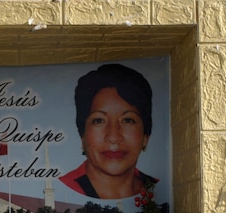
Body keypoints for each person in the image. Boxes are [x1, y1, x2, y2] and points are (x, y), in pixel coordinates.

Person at [59, 63, 158, 199]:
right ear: (82, 136)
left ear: (145, 136)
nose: (113, 137)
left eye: (128, 120)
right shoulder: (60, 190)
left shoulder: (158, 189)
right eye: (99, 120)